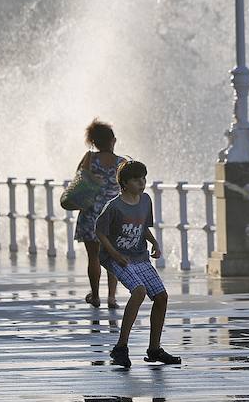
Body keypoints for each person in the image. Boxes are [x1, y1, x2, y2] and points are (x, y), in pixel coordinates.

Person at [95, 160, 181, 368]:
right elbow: (100, 232)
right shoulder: (114, 207)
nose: (141, 183)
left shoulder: (145, 201)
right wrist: (114, 254)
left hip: (139, 256)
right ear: (124, 183)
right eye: (136, 180)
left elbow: (142, 227)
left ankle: (154, 349)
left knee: (161, 297)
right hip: (116, 258)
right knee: (139, 291)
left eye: (143, 178)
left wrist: (154, 242)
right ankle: (120, 348)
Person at [73, 119, 124, 308]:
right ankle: (112, 297)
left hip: (90, 214)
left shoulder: (89, 159)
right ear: (113, 141)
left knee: (93, 257)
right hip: (113, 216)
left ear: (94, 142)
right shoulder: (122, 163)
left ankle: (95, 296)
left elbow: (78, 180)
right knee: (113, 255)